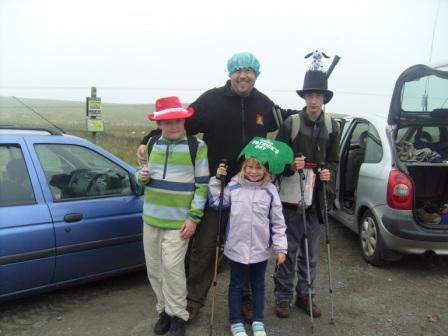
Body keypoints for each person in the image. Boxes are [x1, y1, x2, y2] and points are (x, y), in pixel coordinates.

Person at [137, 52, 295, 321]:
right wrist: (147, 139)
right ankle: (193, 299)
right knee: (205, 245)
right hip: (216, 188)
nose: (243, 75)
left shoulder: (264, 104)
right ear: (230, 73)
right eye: (238, 70)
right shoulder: (211, 100)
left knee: (249, 242)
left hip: (251, 188)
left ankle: (246, 299)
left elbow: (286, 121)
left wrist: (309, 118)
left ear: (256, 75)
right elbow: (179, 124)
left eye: (249, 71)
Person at [136, 96, 209, 336]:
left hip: (179, 222)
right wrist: (141, 177)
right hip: (151, 219)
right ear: (159, 124)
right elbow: (142, 177)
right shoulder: (151, 144)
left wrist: (193, 218)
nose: (174, 126)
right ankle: (164, 310)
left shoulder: (196, 147)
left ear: (184, 120)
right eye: (167, 122)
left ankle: (179, 314)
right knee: (154, 268)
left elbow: (202, 185)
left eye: (177, 121)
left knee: (173, 268)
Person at [273, 68, 340, 318]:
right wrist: (291, 166)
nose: (313, 100)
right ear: (304, 98)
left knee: (310, 253)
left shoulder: (332, 126)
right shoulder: (291, 124)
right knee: (288, 251)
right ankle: (282, 298)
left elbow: (334, 161)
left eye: (318, 96)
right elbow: (275, 163)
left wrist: (328, 173)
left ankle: (305, 295)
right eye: (310, 95)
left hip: (317, 199)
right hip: (291, 200)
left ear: (324, 98)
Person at [208, 137, 289, 336]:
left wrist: (280, 248)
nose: (253, 171)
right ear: (243, 167)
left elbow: (278, 222)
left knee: (258, 285)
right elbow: (218, 203)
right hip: (236, 247)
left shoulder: (270, 191)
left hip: (261, 250)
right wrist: (217, 180)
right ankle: (235, 321)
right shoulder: (233, 186)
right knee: (236, 284)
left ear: (266, 171)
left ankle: (258, 321)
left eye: (258, 168)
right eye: (249, 167)